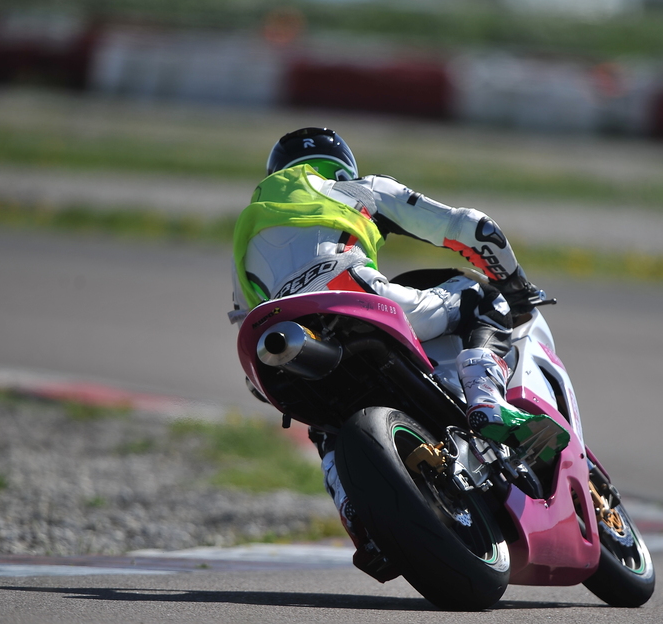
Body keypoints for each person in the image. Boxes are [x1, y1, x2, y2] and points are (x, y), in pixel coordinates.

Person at [230, 127, 568, 578]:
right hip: (354, 298)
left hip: (283, 335)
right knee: (482, 298)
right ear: (341, 166)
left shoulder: (248, 225)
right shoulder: (357, 189)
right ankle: (487, 403)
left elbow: (244, 321)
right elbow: (473, 228)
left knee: (324, 424)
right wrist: (515, 283)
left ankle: (358, 522)